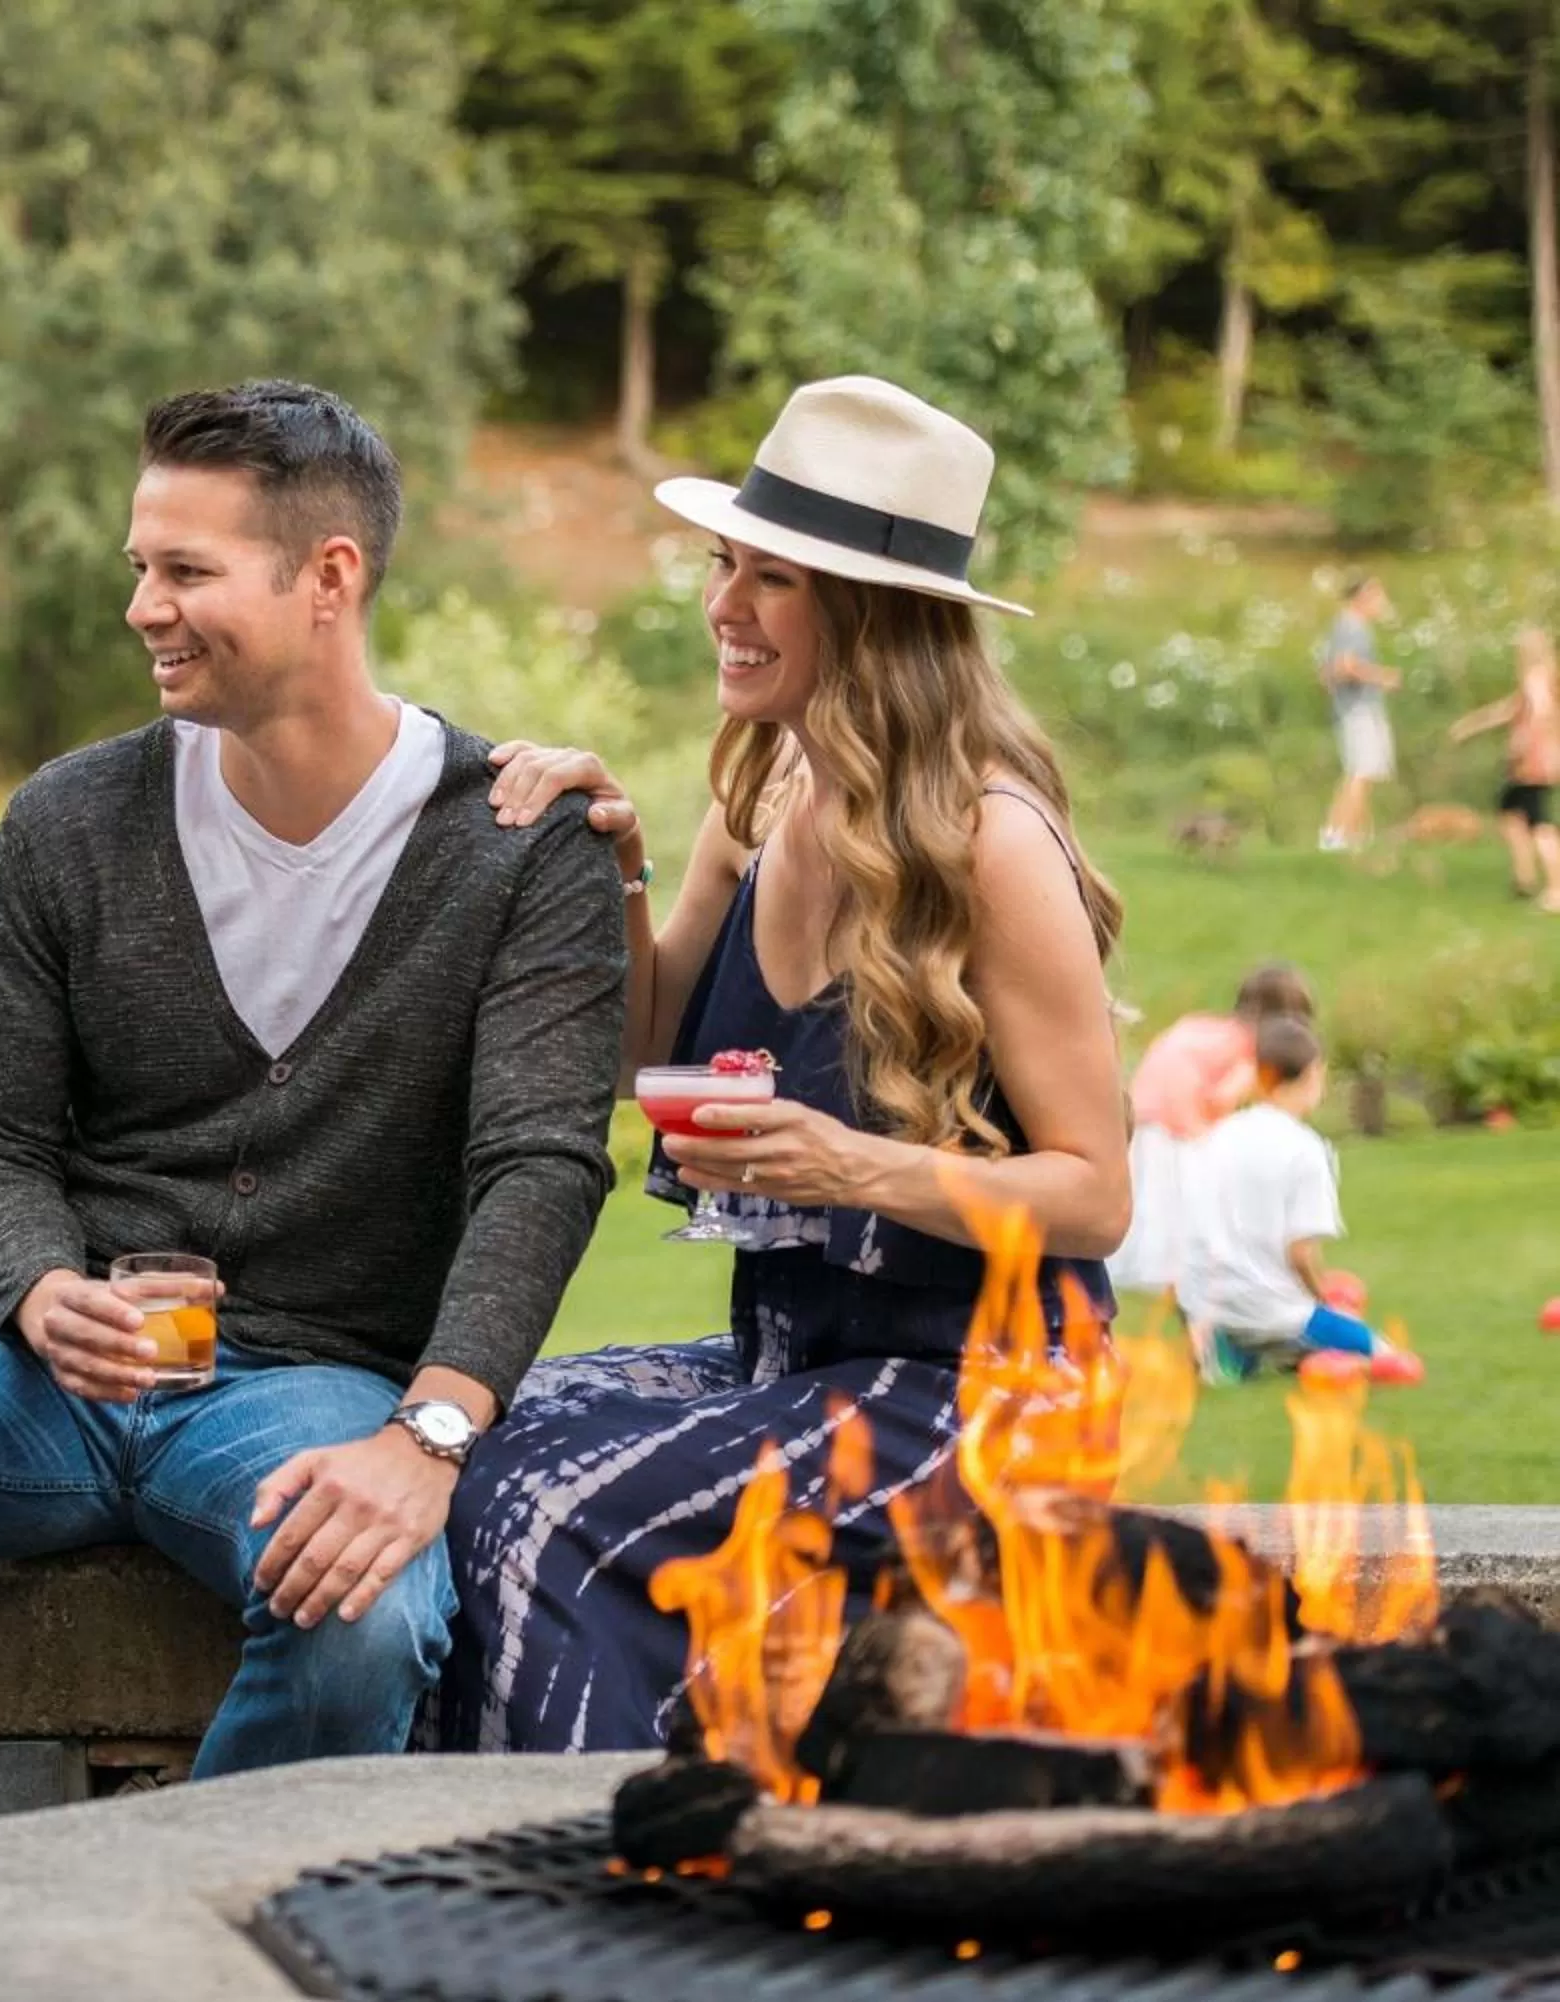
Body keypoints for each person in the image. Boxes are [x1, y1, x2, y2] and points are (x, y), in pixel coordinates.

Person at [0, 379, 627, 1851]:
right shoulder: (68, 821)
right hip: (48, 1368)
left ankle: (146, 1938)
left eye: (186, 570)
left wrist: (428, 1432)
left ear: (329, 578)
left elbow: (541, 1166)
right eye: (141, 563)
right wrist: (36, 1284)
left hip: (316, 1380)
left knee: (370, 1615)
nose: (144, 605)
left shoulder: (519, 851)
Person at [447, 375, 1129, 1756]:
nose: (725, 604)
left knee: (554, 1511)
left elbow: (1098, 1196)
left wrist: (852, 1166)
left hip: (994, 1394)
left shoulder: (990, 843)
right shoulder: (762, 792)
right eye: (726, 563)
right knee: (478, 1438)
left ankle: (590, 1887)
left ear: (872, 613)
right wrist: (614, 867)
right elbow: (648, 1050)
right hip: (795, 1357)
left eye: (776, 578)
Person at [1175, 1014, 1420, 1386]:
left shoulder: (1217, 1136)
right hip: (1270, 1307)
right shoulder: (1306, 1150)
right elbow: (1301, 1253)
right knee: (1387, 1355)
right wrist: (1324, 1299)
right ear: (1313, 1074)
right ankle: (1302, 1350)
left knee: (1260, 1338)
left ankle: (1227, 1353)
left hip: (1204, 1300)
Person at [1105, 962, 1317, 1304]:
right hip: (1178, 1118)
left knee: (1150, 1203)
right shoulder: (1249, 1051)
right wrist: (1216, 1126)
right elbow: (1222, 1096)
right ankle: (1182, 1276)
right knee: (1186, 1205)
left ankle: (1149, 1272)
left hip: (1143, 1111)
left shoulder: (1211, 1029)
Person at [1446, 625, 1560, 911]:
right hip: (1531, 763)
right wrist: (1470, 726)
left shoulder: (1537, 678)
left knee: (1539, 823)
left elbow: (1542, 715)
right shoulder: (1538, 680)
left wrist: (1526, 747)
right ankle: (1524, 879)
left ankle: (1556, 890)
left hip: (1531, 763)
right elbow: (1508, 710)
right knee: (1511, 814)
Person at [1318, 575, 1401, 854]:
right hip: (1359, 708)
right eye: (1379, 596)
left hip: (1355, 707)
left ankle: (1354, 835)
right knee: (1360, 771)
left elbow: (1326, 673)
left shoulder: (1345, 626)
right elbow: (1345, 666)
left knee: (1365, 772)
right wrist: (1382, 677)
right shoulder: (1352, 626)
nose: (1382, 603)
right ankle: (1336, 834)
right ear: (1363, 597)